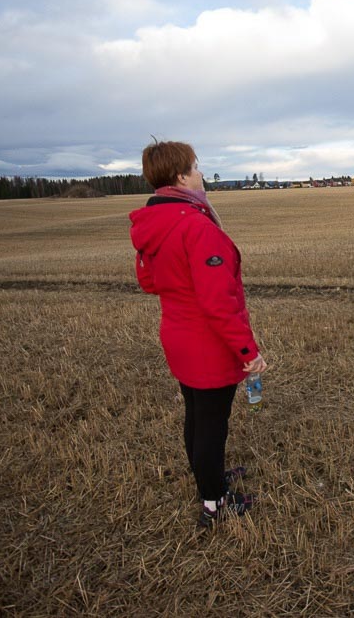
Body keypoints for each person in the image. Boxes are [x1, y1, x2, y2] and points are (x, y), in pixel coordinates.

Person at [129, 140, 267, 527]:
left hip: (178, 337)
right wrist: (247, 351)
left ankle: (209, 479)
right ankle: (215, 502)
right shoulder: (195, 226)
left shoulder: (155, 223)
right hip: (206, 345)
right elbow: (217, 302)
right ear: (181, 177)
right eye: (196, 167)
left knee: (196, 416)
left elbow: (148, 281)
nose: (201, 173)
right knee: (211, 425)